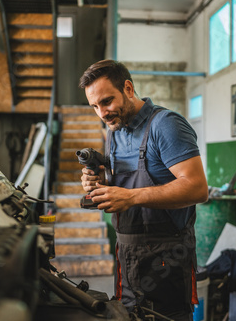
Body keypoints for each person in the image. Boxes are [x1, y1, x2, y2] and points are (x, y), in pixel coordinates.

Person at [79, 59, 208, 321]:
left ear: (128, 88)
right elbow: (124, 185)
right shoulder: (114, 130)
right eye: (94, 106)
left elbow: (197, 189)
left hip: (166, 259)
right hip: (127, 254)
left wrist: (130, 197)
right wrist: (101, 185)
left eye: (106, 101)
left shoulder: (166, 124)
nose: (102, 112)